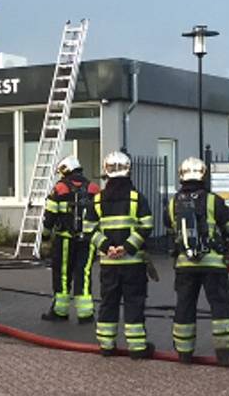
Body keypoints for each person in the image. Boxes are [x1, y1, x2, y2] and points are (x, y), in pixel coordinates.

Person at [165, 157, 229, 366]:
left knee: (185, 305)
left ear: (181, 176)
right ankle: (225, 352)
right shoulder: (212, 200)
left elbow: (170, 229)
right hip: (213, 264)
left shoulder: (173, 203)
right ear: (203, 175)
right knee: (220, 306)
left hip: (184, 264)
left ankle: (184, 351)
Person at [89, 151, 156, 359]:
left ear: (106, 171)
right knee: (133, 302)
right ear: (129, 170)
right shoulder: (137, 198)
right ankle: (137, 348)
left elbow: (89, 228)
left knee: (108, 302)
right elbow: (147, 225)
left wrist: (107, 247)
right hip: (133, 263)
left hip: (109, 263)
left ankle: (106, 346)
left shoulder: (98, 199)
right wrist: (127, 247)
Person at [41, 156, 96, 324]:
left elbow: (49, 216)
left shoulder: (60, 188)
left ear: (65, 170)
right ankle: (85, 314)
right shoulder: (94, 188)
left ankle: (60, 312)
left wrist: (45, 237)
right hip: (88, 240)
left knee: (63, 274)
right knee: (84, 273)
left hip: (65, 239)